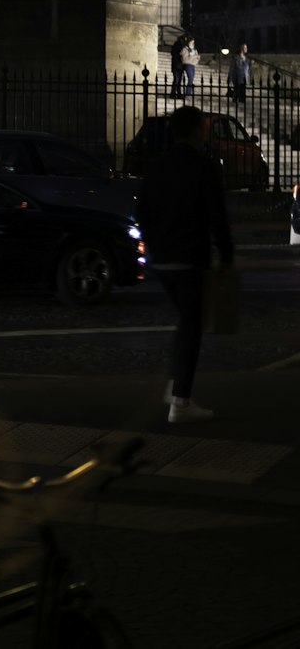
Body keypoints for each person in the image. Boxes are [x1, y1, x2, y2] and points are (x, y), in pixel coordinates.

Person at [137, 105, 234, 423]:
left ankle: (174, 385)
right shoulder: (204, 167)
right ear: (196, 131)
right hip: (190, 257)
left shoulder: (155, 167)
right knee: (193, 327)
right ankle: (181, 401)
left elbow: (142, 212)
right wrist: (226, 255)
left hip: (162, 258)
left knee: (186, 320)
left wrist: (153, 245)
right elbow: (217, 216)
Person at [170, 33, 187, 99]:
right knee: (177, 80)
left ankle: (177, 93)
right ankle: (174, 93)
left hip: (178, 66)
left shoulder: (180, 45)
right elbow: (175, 55)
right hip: (177, 65)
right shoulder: (178, 45)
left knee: (178, 80)